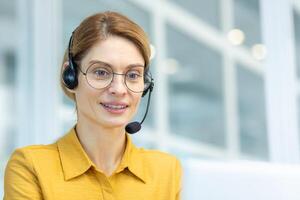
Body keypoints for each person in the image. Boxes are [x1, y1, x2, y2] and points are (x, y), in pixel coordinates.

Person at [4, 11, 182, 200]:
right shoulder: (30, 167)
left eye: (132, 75)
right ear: (70, 77)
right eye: (101, 72)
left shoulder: (168, 171)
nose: (119, 89)